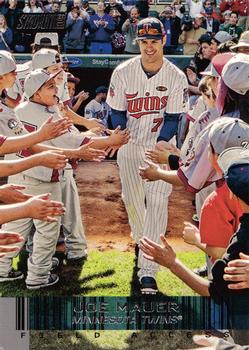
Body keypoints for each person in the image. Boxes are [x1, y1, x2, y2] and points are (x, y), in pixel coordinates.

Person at [106, 17, 189, 294]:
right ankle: (142, 241)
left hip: (160, 148)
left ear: (163, 41)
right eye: (144, 41)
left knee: (156, 203)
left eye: (154, 41)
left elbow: (174, 117)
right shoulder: (123, 71)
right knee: (131, 200)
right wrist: (119, 131)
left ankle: (148, 270)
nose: (149, 46)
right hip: (130, 145)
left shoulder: (175, 76)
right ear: (137, 42)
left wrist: (162, 144)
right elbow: (116, 110)